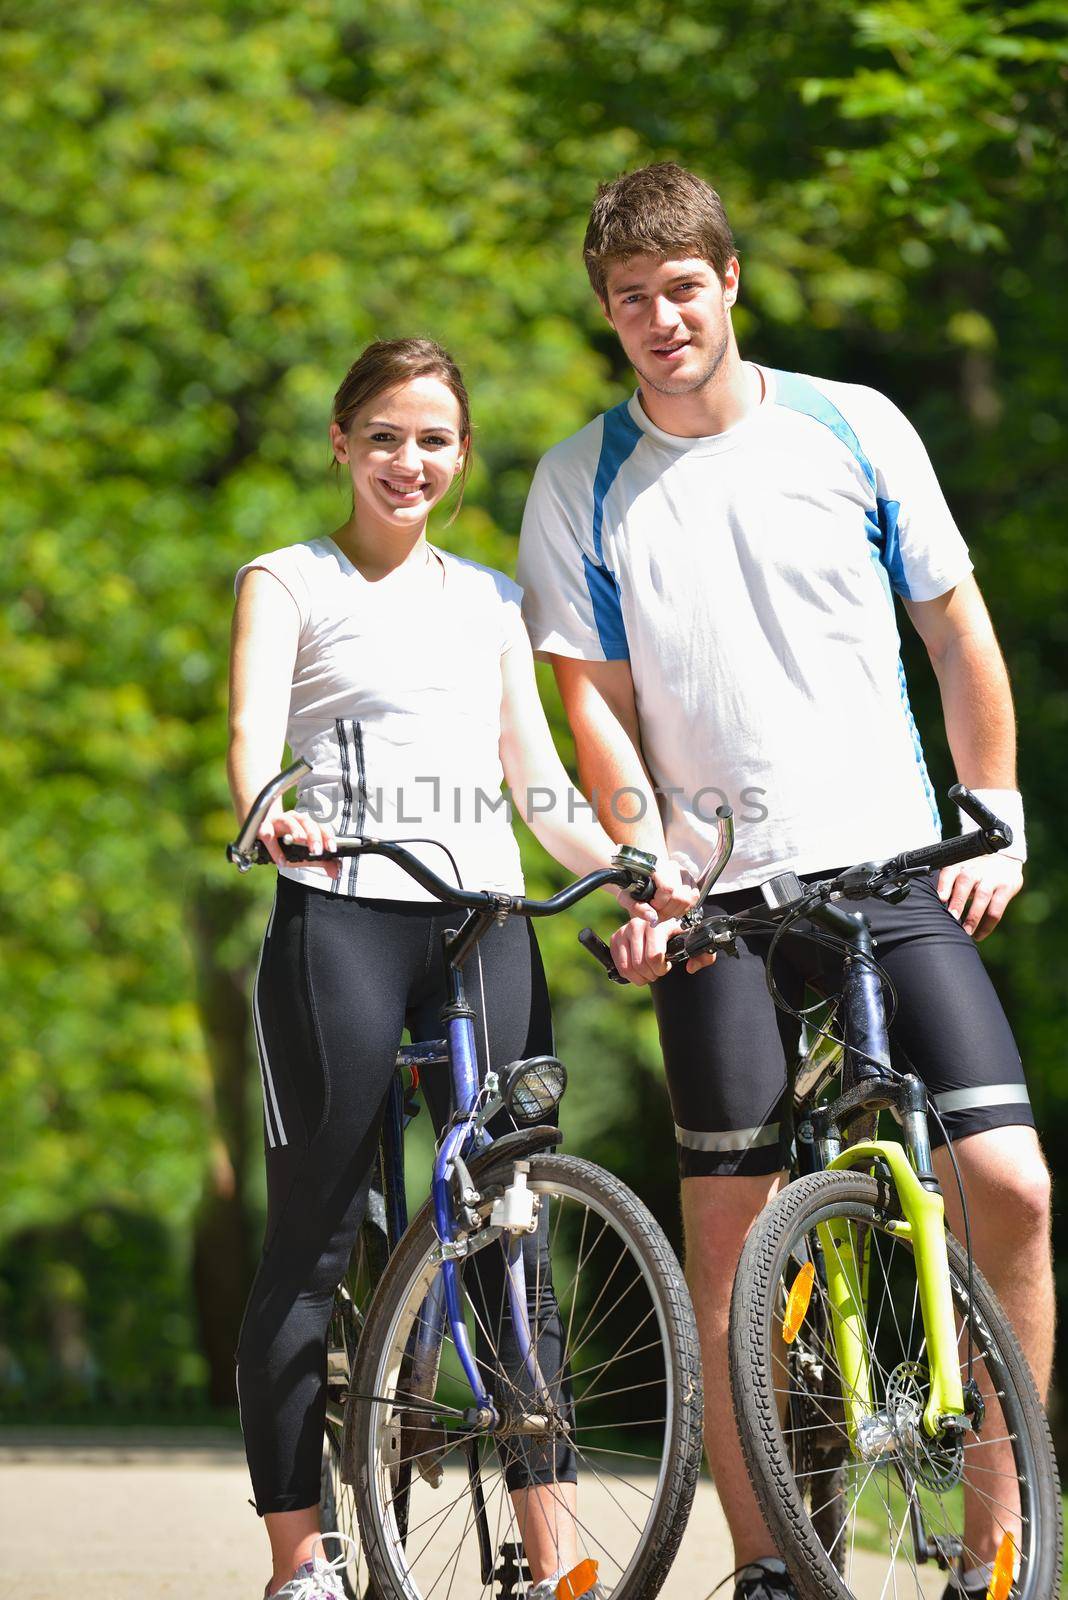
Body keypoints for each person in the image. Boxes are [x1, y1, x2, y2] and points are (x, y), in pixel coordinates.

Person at [516, 163, 1052, 1600]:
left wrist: (992, 814)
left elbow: (954, 630)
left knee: (1008, 1183)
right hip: (720, 904)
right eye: (629, 300)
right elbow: (596, 702)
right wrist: (653, 864)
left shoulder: (852, 424)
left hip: (888, 866)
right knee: (730, 1231)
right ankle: (761, 1564)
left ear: (729, 280)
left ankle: (1003, 1542)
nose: (659, 318)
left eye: (680, 287)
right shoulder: (582, 479)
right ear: (608, 316)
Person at [227, 337, 668, 1600]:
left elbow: (537, 785)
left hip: (482, 922)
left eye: (433, 439)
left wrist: (630, 860)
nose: (408, 460)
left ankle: (553, 1559)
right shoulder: (288, 580)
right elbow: (256, 740)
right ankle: (299, 1559)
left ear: (461, 454)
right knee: (312, 1240)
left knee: (510, 1227)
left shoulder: (489, 600)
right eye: (383, 435)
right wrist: (272, 810)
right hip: (343, 915)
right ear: (341, 443)